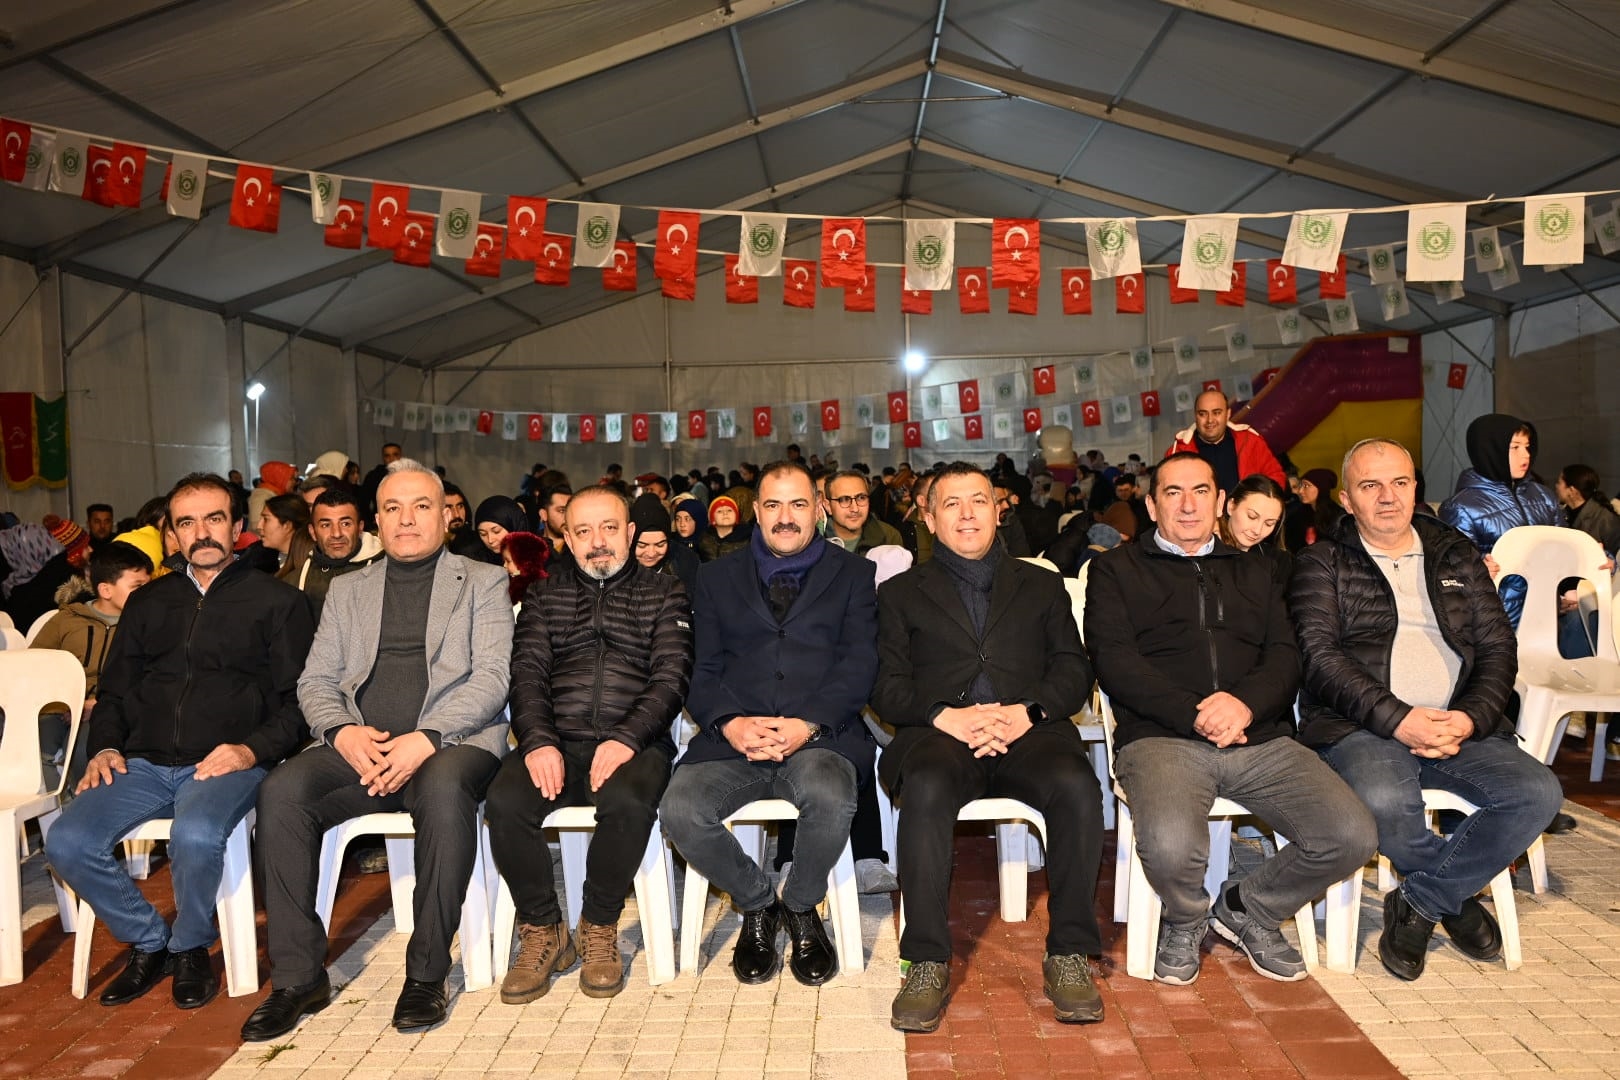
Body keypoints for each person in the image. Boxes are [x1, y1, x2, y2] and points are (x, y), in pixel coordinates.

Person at [243, 459, 513, 1039]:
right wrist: (342, 731)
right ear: (377, 521)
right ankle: (298, 978)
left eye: (421, 507)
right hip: (362, 744)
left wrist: (427, 738)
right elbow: (316, 681)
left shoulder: (483, 580)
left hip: (452, 743)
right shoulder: (349, 588)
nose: (406, 519)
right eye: (393, 508)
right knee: (282, 791)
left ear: (445, 516)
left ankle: (427, 974)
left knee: (443, 790)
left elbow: (493, 678)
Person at [1085, 452, 1376, 985]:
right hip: (1162, 738)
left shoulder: (1257, 570)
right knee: (1171, 847)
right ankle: (1185, 918)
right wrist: (1194, 714)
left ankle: (1248, 907)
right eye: (1173, 493)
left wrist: (1243, 705)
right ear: (1151, 506)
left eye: (1201, 491)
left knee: (1351, 833)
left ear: (1220, 501)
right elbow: (1114, 662)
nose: (1188, 505)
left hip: (1258, 736)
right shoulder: (1115, 570)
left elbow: (1286, 655)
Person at [1290, 439, 1564, 981]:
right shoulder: (1321, 562)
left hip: (1458, 724)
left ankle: (1421, 899)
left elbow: (1497, 647)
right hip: (1362, 728)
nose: (1387, 497)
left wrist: (1471, 717)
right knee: (1385, 804)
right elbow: (1320, 659)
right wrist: (1400, 719)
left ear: (1416, 488)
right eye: (1370, 485)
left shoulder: (1454, 552)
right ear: (1346, 499)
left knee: (1538, 794)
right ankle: (1451, 898)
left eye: (1400, 482)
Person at [45, 473, 314, 1010]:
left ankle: (191, 944)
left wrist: (250, 750)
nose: (202, 532)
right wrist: (105, 746)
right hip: (142, 763)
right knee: (67, 840)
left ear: (237, 526)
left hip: (227, 761)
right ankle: (150, 941)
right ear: (171, 533)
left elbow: (302, 702)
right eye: (187, 522)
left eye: (214, 518)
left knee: (196, 835)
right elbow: (115, 690)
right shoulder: (148, 603)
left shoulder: (279, 602)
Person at [874, 463, 1105, 1031]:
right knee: (926, 787)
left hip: (1029, 732)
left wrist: (1027, 712)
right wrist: (943, 715)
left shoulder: (1041, 584)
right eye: (951, 504)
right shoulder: (899, 594)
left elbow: (1073, 670)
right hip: (940, 737)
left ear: (998, 510)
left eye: (978, 500)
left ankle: (1070, 952)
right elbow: (884, 685)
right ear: (929, 518)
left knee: (1078, 786)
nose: (967, 514)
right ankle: (926, 961)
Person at [660, 461, 878, 987]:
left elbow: (860, 664)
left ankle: (801, 905)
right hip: (734, 741)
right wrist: (730, 724)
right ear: (756, 511)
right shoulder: (715, 577)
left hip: (819, 738)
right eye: (774, 505)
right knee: (680, 810)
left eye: (798, 504)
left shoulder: (854, 574)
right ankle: (758, 903)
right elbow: (701, 668)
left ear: (818, 510)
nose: (786, 517)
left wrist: (808, 724)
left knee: (831, 797)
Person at [485, 486, 692, 1003]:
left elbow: (672, 677)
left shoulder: (666, 592)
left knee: (628, 801)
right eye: (583, 531)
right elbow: (527, 674)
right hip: (557, 740)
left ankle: (598, 924)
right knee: (505, 801)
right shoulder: (544, 595)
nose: (598, 541)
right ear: (567, 539)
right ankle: (543, 928)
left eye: (608, 528)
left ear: (629, 533)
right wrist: (537, 741)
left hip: (635, 743)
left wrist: (627, 738)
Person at [30, 540, 154, 789]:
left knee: (84, 752)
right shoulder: (67, 619)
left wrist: (96, 704)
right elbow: (34, 665)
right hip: (57, 708)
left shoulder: (146, 626)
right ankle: (56, 805)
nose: (148, 594)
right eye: (138, 586)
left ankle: (81, 802)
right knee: (35, 753)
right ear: (106, 590)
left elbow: (149, 679)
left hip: (107, 711)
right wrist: (67, 701)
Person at [1438, 413, 1561, 626]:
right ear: (1490, 450)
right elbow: (1451, 570)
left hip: (1548, 614)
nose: (1525, 455)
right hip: (1495, 621)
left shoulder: (1543, 496)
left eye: (1527, 446)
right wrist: (1477, 568)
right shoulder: (1462, 506)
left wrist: (1597, 558)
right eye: (1515, 447)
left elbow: (1565, 543)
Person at [1164, 390, 1287, 495]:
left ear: (1228, 414)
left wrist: (1256, 504)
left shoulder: (1250, 440)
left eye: (1216, 413)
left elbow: (1276, 477)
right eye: (1203, 414)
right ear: (1195, 416)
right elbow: (1168, 493)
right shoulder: (1177, 452)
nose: (1210, 420)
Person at [295, 486, 385, 620]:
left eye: (345, 524)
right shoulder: (295, 582)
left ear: (360, 528)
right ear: (312, 532)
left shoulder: (386, 571)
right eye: (326, 525)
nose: (336, 534)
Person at [630, 494, 700, 595]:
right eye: (642, 545)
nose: (651, 553)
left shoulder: (687, 562)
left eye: (660, 545)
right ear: (630, 540)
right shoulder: (615, 567)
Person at [825, 470, 903, 554]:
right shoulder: (816, 538)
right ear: (828, 506)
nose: (855, 509)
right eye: (844, 500)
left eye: (861, 498)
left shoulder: (889, 537)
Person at [1218, 474, 1289, 561]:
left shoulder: (1277, 561)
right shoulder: (1204, 551)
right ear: (1231, 506)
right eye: (1251, 517)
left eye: (1269, 524)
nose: (1257, 531)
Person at [1555, 464, 1620, 556]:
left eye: (1559, 482)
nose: (1556, 486)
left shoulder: (1605, 519)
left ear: (1571, 490)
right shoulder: (1561, 513)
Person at [259, 494, 314, 584]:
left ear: (287, 525)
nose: (259, 526)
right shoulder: (258, 557)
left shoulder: (311, 566)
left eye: (266, 519)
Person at [472, 495, 528, 567]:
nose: (490, 540)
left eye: (496, 531)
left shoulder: (537, 558)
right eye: (483, 534)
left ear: (514, 524)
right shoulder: (477, 561)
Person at [499, 531, 550, 607]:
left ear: (523, 561)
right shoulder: (513, 582)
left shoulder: (526, 589)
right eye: (504, 561)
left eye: (508, 561)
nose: (504, 565)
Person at [1297, 468, 1344, 544]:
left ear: (1321, 488)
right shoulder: (1299, 513)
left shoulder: (1338, 517)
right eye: (1301, 485)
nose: (1300, 491)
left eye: (1306, 486)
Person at [697, 495, 750, 562]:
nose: (725, 513)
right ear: (712, 519)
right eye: (719, 511)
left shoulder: (748, 540)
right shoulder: (703, 540)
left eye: (729, 510)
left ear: (736, 517)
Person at [361, 442, 404, 523]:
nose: (391, 459)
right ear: (383, 458)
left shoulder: (409, 475)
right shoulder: (374, 476)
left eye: (395, 454)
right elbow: (363, 502)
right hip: (381, 520)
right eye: (387, 456)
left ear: (400, 456)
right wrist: (370, 520)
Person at [1112, 473, 1154, 542]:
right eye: (1120, 490)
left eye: (1126, 490)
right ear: (1115, 491)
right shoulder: (1112, 506)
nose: (1123, 493)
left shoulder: (1140, 506)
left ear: (1132, 489)